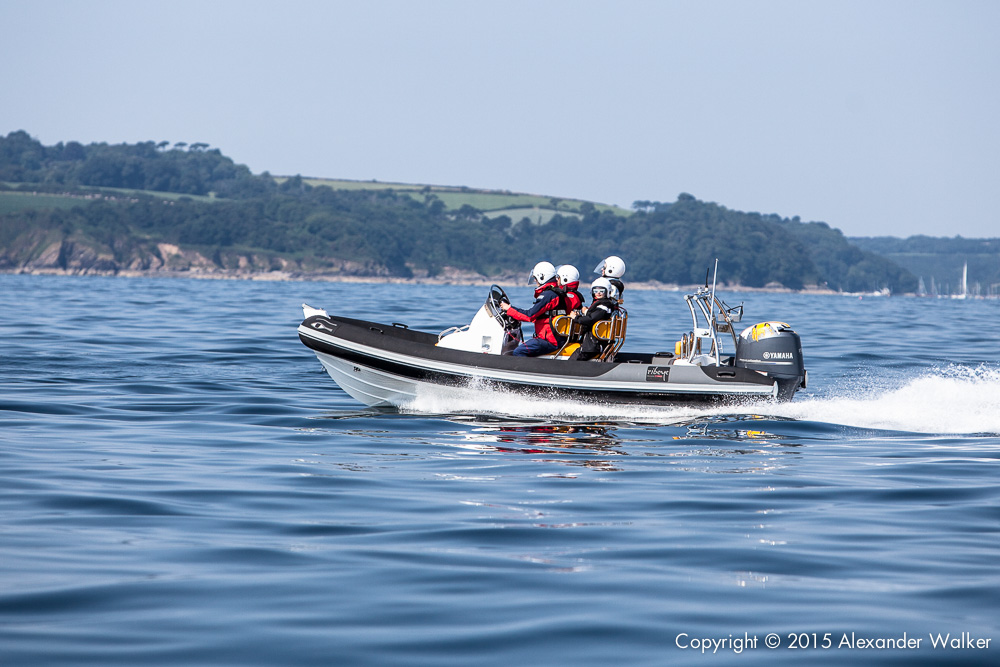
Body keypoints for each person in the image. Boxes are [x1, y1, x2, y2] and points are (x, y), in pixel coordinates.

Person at [500, 261, 581, 357]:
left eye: (535, 278)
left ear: (542, 277)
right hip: (557, 337)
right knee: (528, 346)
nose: (535, 281)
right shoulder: (557, 293)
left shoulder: (548, 295)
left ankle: (525, 371)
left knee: (519, 351)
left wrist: (509, 309)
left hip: (550, 340)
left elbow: (529, 315)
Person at [569, 277, 619, 361]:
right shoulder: (603, 305)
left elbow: (592, 319)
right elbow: (594, 315)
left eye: (601, 291)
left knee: (575, 357)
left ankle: (567, 371)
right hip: (593, 343)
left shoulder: (604, 306)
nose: (598, 293)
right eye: (595, 291)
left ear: (607, 292)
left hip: (592, 345)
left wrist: (576, 318)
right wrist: (585, 313)